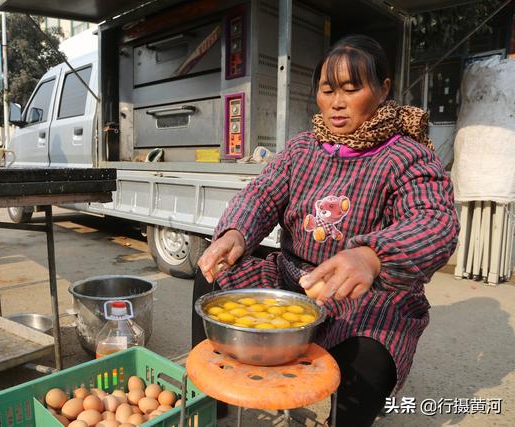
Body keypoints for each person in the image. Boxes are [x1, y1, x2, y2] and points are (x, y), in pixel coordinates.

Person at [191, 35, 459, 427]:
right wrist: (236, 233)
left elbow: (435, 221)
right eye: (327, 89)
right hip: (294, 277)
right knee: (213, 273)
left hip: (368, 295)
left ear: (383, 90)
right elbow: (263, 194)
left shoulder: (408, 156)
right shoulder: (302, 150)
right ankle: (213, 404)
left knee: (370, 355)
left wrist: (372, 256)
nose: (337, 102)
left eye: (352, 89)